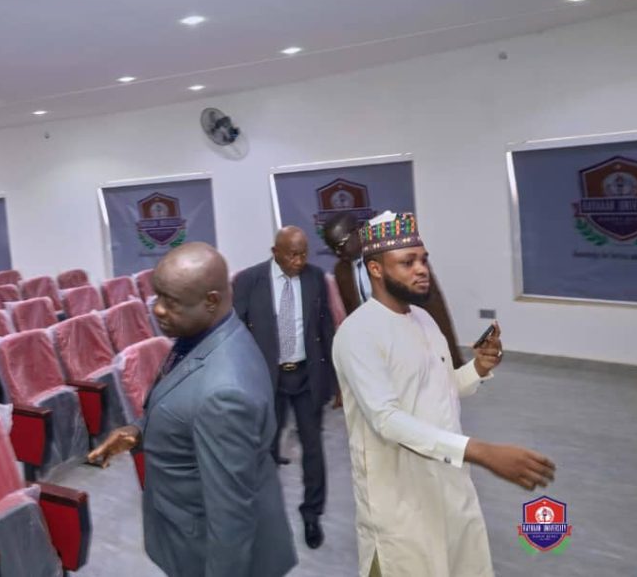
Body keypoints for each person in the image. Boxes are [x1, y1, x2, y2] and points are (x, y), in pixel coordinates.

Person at [332, 212, 555, 577]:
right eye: (407, 262)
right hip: (400, 508)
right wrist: (481, 451)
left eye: (423, 259)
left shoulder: (423, 320)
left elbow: (441, 387)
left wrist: (478, 367)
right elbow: (386, 420)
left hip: (451, 490)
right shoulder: (358, 333)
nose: (422, 269)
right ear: (375, 269)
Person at [88, 242, 296, 577]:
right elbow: (185, 405)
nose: (157, 310)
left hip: (203, 551)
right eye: (157, 296)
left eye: (170, 302)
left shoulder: (224, 393)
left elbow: (231, 519)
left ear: (211, 300)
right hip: (187, 525)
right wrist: (138, 431)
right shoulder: (208, 335)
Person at [232, 225, 335, 549]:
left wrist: (334, 379)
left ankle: (312, 514)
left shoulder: (315, 277)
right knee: (264, 450)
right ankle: (263, 515)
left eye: (303, 254)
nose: (299, 261)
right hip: (267, 379)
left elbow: (325, 327)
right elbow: (235, 333)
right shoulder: (249, 280)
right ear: (275, 252)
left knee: (313, 449)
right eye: (292, 255)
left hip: (306, 376)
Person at [324, 211, 464, 367]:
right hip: (377, 347)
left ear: (358, 232)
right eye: (332, 248)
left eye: (341, 245)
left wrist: (452, 358)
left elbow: (434, 306)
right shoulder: (341, 271)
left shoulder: (398, 256)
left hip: (412, 338)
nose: (337, 253)